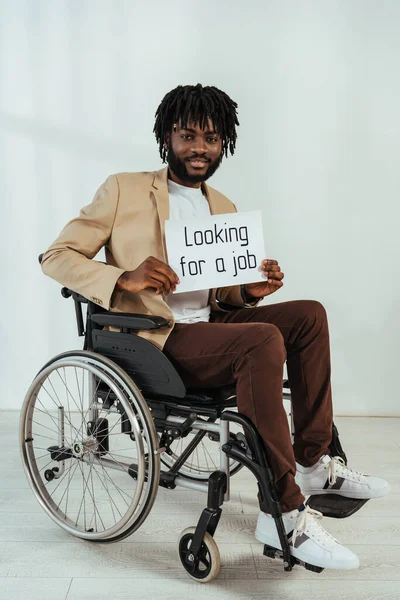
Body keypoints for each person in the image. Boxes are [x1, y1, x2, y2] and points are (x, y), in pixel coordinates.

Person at [41, 83, 389, 572]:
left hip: (212, 327)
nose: (199, 148)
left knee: (307, 314)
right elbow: (56, 257)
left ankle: (311, 464)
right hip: (153, 338)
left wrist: (248, 294)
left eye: (211, 138)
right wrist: (125, 275)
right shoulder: (123, 189)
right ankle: (283, 512)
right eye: (187, 136)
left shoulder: (221, 205)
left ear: (225, 141)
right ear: (167, 137)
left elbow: (218, 293)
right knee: (262, 340)